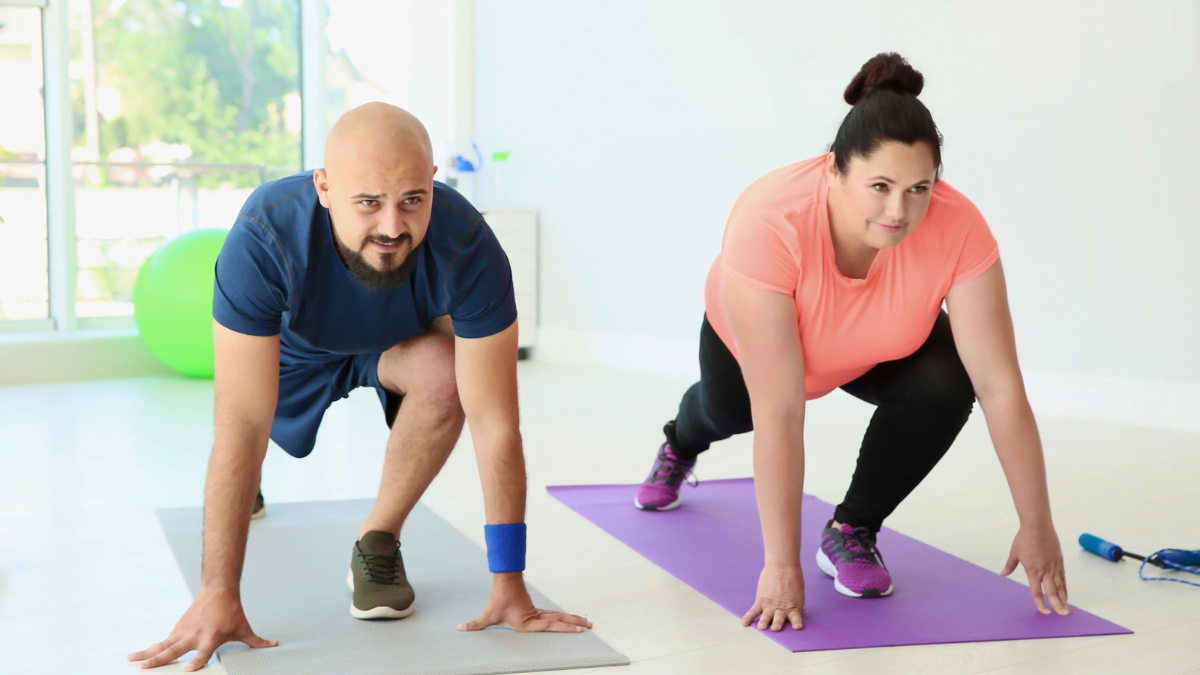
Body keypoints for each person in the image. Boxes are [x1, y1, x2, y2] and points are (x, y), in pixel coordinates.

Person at [129, 103, 590, 672]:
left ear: (432, 185)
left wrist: (510, 580)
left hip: (395, 343)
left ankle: (378, 541)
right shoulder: (264, 235)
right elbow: (242, 418)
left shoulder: (469, 245)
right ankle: (249, 487)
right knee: (249, 434)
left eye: (412, 200)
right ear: (324, 187)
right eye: (368, 202)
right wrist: (217, 591)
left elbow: (495, 421)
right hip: (293, 351)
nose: (393, 226)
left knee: (449, 373)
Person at [634, 53, 1071, 632]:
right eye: (880, 187)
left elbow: (999, 384)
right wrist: (779, 566)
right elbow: (782, 409)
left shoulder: (959, 226)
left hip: (870, 345)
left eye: (919, 188)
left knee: (949, 380)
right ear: (834, 171)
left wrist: (1036, 521)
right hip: (757, 343)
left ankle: (851, 530)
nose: (900, 211)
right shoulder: (770, 219)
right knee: (729, 410)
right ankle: (679, 443)